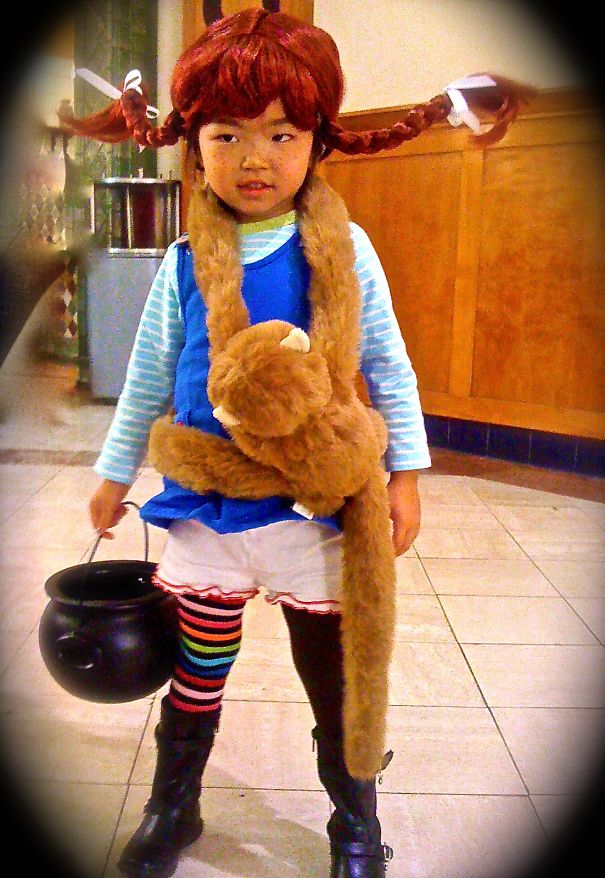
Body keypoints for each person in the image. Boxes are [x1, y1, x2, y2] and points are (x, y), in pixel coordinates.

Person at [63, 9, 529, 878]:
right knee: (197, 670)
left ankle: (354, 826)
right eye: (226, 134)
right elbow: (149, 374)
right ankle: (174, 804)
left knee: (334, 677)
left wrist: (405, 475)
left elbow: (387, 365)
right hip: (206, 507)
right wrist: (113, 471)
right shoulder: (181, 260)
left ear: (317, 140)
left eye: (281, 134)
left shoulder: (345, 250)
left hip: (315, 507)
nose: (254, 157)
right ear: (192, 145)